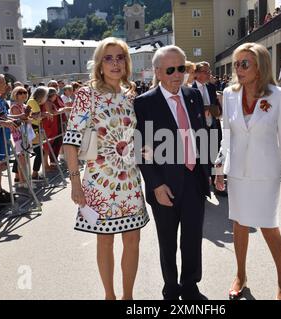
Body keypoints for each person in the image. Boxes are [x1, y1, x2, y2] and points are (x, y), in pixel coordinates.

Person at [63, 37, 149, 300]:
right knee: (105, 239)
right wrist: (76, 182)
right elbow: (71, 141)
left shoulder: (130, 94)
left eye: (120, 57)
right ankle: (109, 295)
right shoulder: (86, 95)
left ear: (127, 62)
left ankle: (128, 297)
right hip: (99, 181)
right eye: (108, 58)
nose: (115, 63)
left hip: (130, 178)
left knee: (133, 238)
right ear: (99, 64)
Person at [214, 43, 281, 300]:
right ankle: (240, 274)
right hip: (237, 172)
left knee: (269, 226)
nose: (238, 69)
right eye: (237, 64)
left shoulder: (278, 95)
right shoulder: (228, 94)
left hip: (266, 174)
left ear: (260, 67)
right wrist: (219, 168)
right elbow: (226, 135)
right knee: (239, 224)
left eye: (244, 64)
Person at [134, 45, 211, 300]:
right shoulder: (144, 103)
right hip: (164, 185)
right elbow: (141, 148)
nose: (177, 74)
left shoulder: (193, 95)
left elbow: (203, 135)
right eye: (170, 70)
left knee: (192, 239)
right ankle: (171, 287)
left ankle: (190, 286)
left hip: (194, 180)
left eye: (181, 68)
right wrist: (155, 184)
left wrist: (209, 171)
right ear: (157, 72)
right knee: (167, 241)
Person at [193, 61, 226, 197]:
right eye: (206, 71)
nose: (209, 74)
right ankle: (202, 187)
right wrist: (206, 108)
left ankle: (217, 185)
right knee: (202, 158)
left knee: (215, 155)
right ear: (197, 74)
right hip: (198, 130)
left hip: (213, 126)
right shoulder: (190, 89)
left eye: (209, 71)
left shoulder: (211, 87)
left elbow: (216, 106)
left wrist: (216, 110)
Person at [0, 73, 18, 205]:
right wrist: (12, 120)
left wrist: (17, 118)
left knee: (0, 165)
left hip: (4, 135)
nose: (5, 85)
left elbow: (4, 116)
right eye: (3, 82)